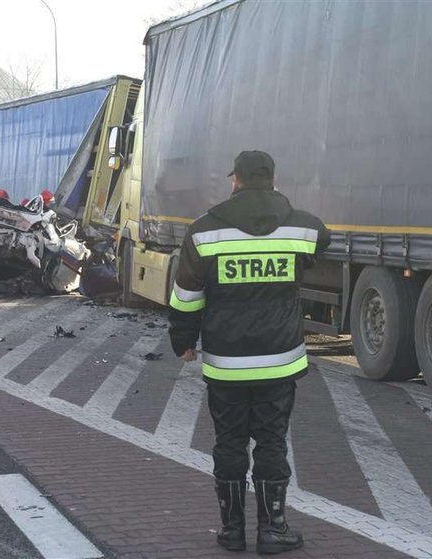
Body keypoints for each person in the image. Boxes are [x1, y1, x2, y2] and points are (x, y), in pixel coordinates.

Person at [168, 150, 329, 554]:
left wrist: (183, 341)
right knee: (272, 442)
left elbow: (187, 295)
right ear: (273, 180)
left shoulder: (204, 232)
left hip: (226, 363)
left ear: (235, 181)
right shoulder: (302, 228)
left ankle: (232, 531)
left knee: (229, 442)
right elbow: (322, 241)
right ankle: (273, 530)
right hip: (280, 360)